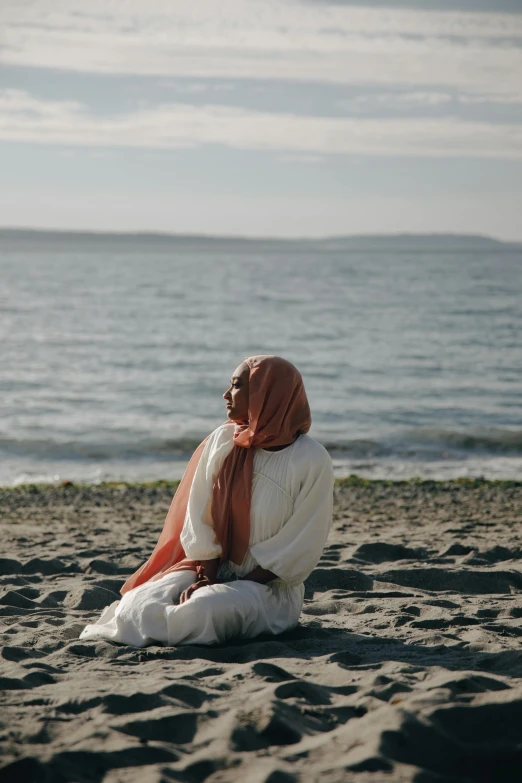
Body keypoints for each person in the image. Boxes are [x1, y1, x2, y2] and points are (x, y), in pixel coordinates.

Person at [80, 355, 334, 647]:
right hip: (209, 568)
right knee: (136, 604)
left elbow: (302, 543)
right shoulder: (223, 440)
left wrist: (235, 585)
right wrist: (205, 577)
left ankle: (179, 622)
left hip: (269, 589)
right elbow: (197, 514)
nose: (226, 395)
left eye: (237, 386)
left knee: (203, 610)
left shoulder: (311, 460)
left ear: (266, 394)